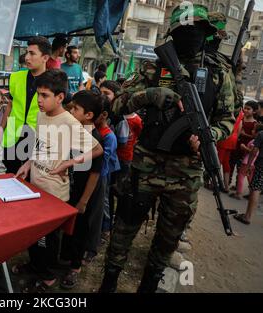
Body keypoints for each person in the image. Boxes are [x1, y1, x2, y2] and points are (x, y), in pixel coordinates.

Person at [99, 4, 235, 293]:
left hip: (186, 173)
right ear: (174, 33)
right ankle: (109, 282)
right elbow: (116, 104)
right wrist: (151, 95)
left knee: (168, 238)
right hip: (146, 165)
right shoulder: (153, 66)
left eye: (197, 30)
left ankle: (149, 284)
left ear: (206, 33)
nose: (191, 36)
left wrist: (210, 134)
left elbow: (228, 120)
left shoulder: (219, 72)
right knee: (124, 228)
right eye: (185, 30)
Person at [13, 69, 103, 292]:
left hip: (54, 194)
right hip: (35, 185)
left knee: (48, 239)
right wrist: (28, 163)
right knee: (34, 234)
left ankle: (47, 276)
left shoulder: (69, 122)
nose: (39, 100)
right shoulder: (42, 115)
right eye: (38, 94)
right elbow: (39, 144)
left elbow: (98, 149)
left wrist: (71, 162)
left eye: (44, 95)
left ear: (60, 97)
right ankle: (35, 265)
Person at [58, 91, 105, 289]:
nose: (70, 110)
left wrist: (84, 201)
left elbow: (94, 174)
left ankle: (75, 267)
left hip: (84, 195)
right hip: (69, 190)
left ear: (89, 115)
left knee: (80, 230)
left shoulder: (95, 140)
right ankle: (65, 257)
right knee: (68, 229)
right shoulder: (73, 132)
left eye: (75, 108)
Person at [1, 36, 51, 174]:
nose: (27, 58)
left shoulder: (53, 82)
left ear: (45, 58)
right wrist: (0, 130)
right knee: (9, 176)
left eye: (32, 53)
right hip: (12, 135)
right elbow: (10, 106)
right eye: (27, 52)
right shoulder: (16, 77)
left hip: (36, 137)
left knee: (32, 179)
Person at [94, 96, 120, 247]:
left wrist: (98, 177)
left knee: (104, 202)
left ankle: (105, 229)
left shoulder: (109, 136)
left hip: (104, 174)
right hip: (98, 173)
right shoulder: (95, 130)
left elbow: (103, 160)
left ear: (103, 115)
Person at [234, 123, 263, 225]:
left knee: (255, 189)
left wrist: (249, 165)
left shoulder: (261, 134)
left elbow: (254, 151)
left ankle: (247, 216)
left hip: (261, 166)